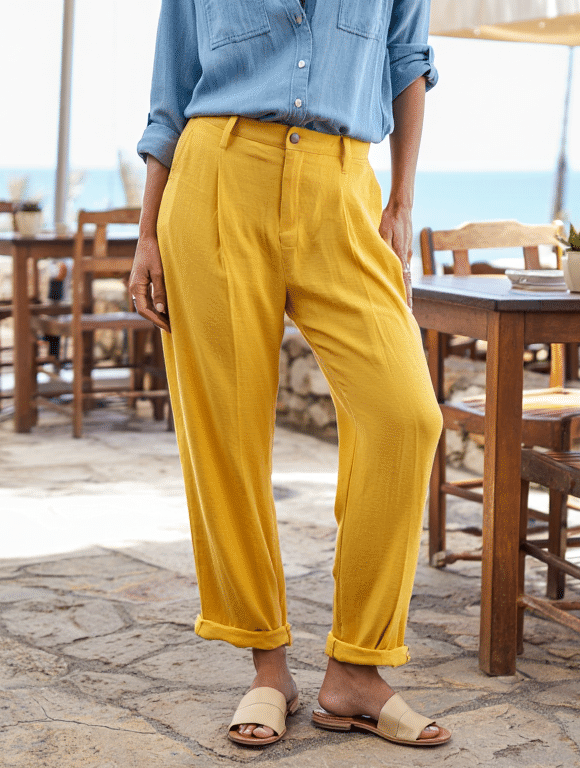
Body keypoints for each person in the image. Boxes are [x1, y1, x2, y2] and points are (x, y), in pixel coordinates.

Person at [128, 0, 450, 748]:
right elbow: (169, 93)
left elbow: (408, 60)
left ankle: (358, 670)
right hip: (215, 178)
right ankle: (268, 666)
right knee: (226, 435)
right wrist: (146, 230)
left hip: (343, 184)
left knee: (407, 416)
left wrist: (402, 200)